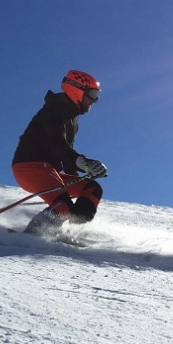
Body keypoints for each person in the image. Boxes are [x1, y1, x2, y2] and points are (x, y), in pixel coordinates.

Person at [11, 70, 108, 235]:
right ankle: (31, 236)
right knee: (63, 207)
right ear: (76, 90)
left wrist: (87, 170)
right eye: (92, 94)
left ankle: (72, 233)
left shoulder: (72, 120)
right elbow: (58, 144)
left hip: (49, 170)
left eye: (97, 95)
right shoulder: (55, 110)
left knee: (91, 189)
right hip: (30, 167)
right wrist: (85, 164)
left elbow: (65, 156)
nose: (94, 100)